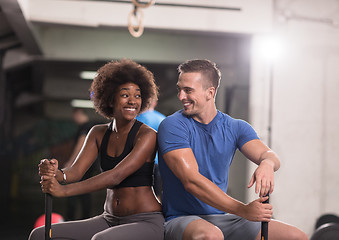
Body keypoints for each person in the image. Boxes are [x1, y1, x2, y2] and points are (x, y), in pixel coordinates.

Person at [157, 59, 308, 240]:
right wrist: (243, 210)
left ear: (210, 92)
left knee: (296, 236)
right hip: (183, 218)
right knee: (211, 236)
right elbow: (192, 181)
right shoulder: (172, 125)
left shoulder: (236, 127)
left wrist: (267, 163)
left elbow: (269, 155)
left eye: (188, 90)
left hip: (223, 217)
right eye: (179, 89)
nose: (181, 96)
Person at [28, 59, 164, 240]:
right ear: (110, 98)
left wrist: (64, 191)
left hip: (145, 221)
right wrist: (56, 173)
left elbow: (115, 176)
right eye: (125, 95)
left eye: (137, 95)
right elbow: (75, 172)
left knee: (101, 239)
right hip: (109, 219)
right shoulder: (98, 133)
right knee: (39, 235)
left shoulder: (147, 135)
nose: (133, 100)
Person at [64, 108, 100, 220]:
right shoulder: (91, 126)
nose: (74, 119)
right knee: (85, 189)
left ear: (79, 114)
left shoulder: (85, 127)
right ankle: (85, 217)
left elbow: (81, 143)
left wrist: (71, 162)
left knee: (73, 187)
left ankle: (71, 218)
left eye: (75, 116)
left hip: (84, 163)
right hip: (91, 163)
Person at [136, 97, 166, 200]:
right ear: (155, 103)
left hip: (138, 162)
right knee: (156, 194)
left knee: (138, 194)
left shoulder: (136, 118)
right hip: (157, 163)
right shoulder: (163, 119)